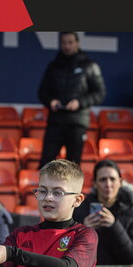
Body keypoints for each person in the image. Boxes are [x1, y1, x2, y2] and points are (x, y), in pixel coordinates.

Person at [37, 32, 106, 167]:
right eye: (64, 43)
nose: (67, 46)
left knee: (73, 166)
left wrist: (80, 102)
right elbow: (42, 92)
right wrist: (51, 101)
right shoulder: (54, 66)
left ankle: (71, 189)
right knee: (46, 163)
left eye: (70, 42)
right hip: (55, 120)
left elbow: (100, 92)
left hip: (77, 122)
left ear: (77, 43)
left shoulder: (89, 65)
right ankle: (44, 189)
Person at [72, 159, 133, 265]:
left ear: (120, 182)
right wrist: (84, 229)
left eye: (112, 179)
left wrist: (114, 226)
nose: (108, 184)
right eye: (103, 180)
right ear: (95, 183)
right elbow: (65, 250)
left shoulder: (132, 214)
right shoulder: (78, 210)